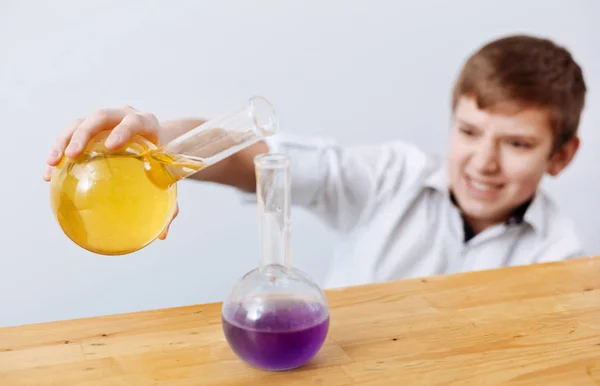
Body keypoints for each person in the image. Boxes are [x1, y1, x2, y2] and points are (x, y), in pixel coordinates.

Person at [43, 34, 587, 288]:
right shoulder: (388, 178)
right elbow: (249, 157)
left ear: (561, 156)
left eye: (516, 144)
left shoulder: (563, 257)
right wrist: (163, 140)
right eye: (469, 132)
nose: (484, 162)